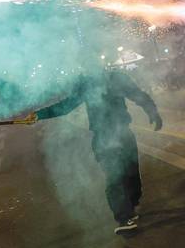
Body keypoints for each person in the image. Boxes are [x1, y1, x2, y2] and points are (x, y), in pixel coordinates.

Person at [29, 69, 163, 235]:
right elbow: (65, 106)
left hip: (124, 135)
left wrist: (153, 111)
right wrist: (38, 115)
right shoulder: (86, 83)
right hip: (103, 138)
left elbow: (137, 94)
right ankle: (123, 218)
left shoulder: (116, 77)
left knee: (131, 175)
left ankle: (131, 205)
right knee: (115, 177)